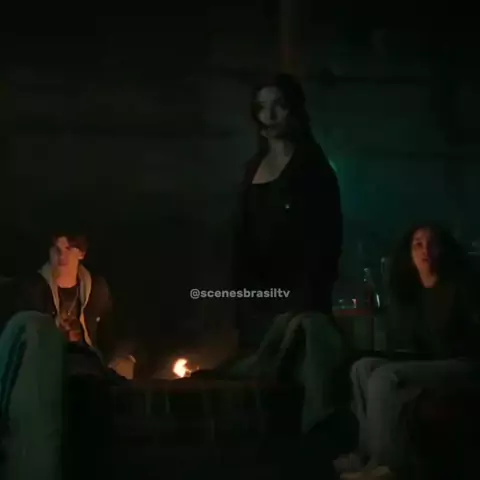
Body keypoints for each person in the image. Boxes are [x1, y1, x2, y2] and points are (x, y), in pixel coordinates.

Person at [337, 224, 480, 480]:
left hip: (466, 363)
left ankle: (388, 465)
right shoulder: (411, 294)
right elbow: (412, 347)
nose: (425, 250)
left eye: (432, 243)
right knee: (362, 368)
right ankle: (365, 455)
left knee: (385, 378)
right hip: (434, 362)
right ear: (410, 254)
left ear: (443, 250)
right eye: (418, 244)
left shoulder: (461, 288)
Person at [231, 72, 343, 349]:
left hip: (300, 300)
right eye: (262, 107)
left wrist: (306, 301)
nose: (269, 116)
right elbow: (241, 235)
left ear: (294, 108)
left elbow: (327, 241)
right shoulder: (251, 168)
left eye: (278, 105)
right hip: (255, 300)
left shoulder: (313, 168)